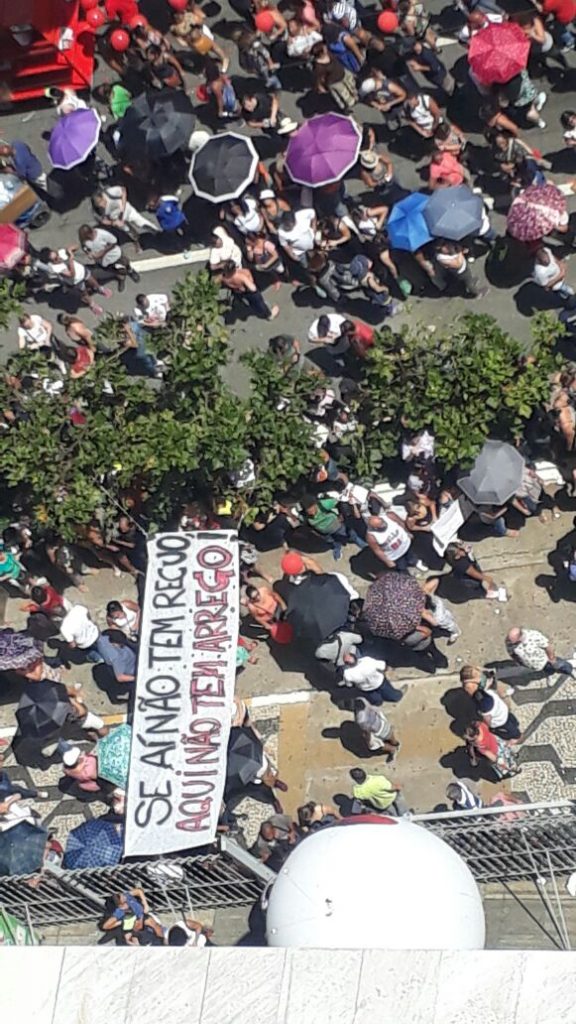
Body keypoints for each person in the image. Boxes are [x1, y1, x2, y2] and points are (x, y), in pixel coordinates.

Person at [462, 673, 523, 742]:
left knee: (510, 729)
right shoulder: (487, 692)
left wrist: (488, 726)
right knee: (511, 720)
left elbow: (487, 719)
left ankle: (516, 736)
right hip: (504, 711)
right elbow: (486, 686)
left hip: (500, 721)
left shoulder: (485, 709)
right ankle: (516, 725)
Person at [78, 224, 140, 292]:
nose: (87, 239)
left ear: (90, 232)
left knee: (124, 262)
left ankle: (130, 271)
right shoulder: (84, 239)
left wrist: (102, 253)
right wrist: (89, 253)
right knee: (114, 270)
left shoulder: (102, 234)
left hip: (114, 255)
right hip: (103, 261)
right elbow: (85, 247)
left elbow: (113, 242)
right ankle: (121, 278)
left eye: (87, 237)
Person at [506, 626, 575, 677]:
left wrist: (552, 659)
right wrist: (518, 662)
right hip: (536, 666)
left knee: (562, 666)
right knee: (548, 671)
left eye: (513, 641)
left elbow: (547, 646)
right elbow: (512, 653)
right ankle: (550, 675)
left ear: (519, 637)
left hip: (546, 661)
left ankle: (571, 671)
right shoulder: (509, 642)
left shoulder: (533, 636)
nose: (510, 642)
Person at [339, 651, 403, 703]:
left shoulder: (347, 673)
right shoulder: (367, 661)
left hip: (366, 688)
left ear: (346, 664)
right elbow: (383, 666)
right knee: (392, 694)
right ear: (355, 657)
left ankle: (378, 703)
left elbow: (349, 685)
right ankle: (396, 697)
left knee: (375, 699)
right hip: (379, 682)